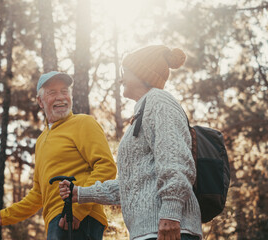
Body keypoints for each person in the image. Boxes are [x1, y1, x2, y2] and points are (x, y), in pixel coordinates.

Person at [59, 45, 203, 240]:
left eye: (124, 72)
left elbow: (175, 159)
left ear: (141, 73)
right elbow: (132, 185)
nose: (121, 78)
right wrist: (81, 193)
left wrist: (170, 211)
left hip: (170, 230)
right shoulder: (143, 110)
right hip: (149, 232)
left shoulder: (159, 101)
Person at [0, 71, 117, 240]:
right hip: (56, 222)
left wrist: (77, 209)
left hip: (81, 220)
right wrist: (4, 216)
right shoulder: (40, 141)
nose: (60, 97)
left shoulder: (84, 123)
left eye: (64, 91)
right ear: (40, 101)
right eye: (52, 93)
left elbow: (106, 166)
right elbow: (39, 194)